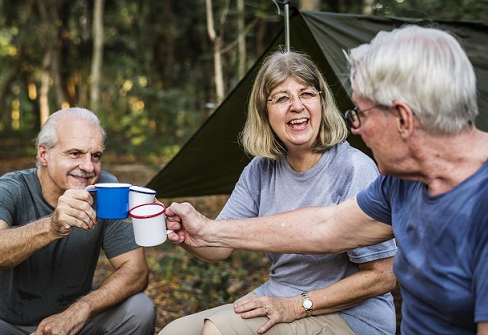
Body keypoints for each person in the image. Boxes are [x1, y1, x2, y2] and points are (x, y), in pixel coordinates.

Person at [166, 25, 488, 335]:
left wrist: (298, 304)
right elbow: (325, 226)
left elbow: (380, 273)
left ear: (402, 118)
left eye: (359, 114)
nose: (356, 129)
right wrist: (207, 230)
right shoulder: (400, 183)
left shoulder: (478, 204)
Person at [161, 50, 397, 335]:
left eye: (307, 94)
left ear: (322, 102)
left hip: (352, 317)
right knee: (173, 332)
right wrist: (183, 230)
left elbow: (383, 276)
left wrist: (296, 305)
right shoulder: (260, 170)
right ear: (264, 112)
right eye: (282, 98)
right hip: (277, 295)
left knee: (218, 331)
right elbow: (218, 247)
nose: (296, 106)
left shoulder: (354, 167)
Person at [0, 107, 156, 335]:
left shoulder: (105, 190)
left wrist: (79, 311)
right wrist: (51, 226)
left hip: (73, 321)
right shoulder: (10, 188)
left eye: (96, 156)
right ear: (43, 155)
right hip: (2, 323)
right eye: (75, 153)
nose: (88, 167)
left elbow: (136, 270)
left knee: (139, 309)